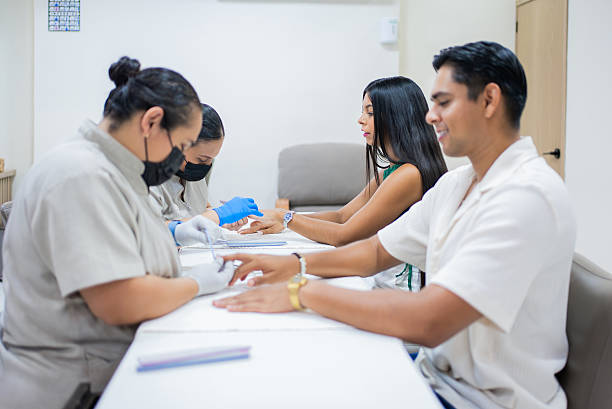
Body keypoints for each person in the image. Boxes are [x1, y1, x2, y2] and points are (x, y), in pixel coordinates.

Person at [215, 41, 576, 409]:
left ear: (489, 100)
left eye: (443, 102)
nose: (431, 116)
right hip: (435, 376)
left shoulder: (526, 196)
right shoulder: (456, 184)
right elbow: (375, 251)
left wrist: (301, 292)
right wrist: (294, 264)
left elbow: (430, 320)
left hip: (482, 401)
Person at [0, 56, 234, 409]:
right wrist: (199, 283)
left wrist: (177, 236)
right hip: (73, 387)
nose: (182, 160)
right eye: (183, 146)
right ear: (151, 122)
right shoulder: (81, 174)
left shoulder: (117, 171)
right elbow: (120, 300)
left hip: (104, 365)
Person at [243, 77, 447, 290]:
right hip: (382, 279)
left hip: (401, 289)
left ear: (397, 116)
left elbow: (344, 236)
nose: (361, 120)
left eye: (370, 112)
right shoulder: (392, 171)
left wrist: (286, 217)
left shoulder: (409, 175)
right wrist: (285, 221)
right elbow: (342, 217)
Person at [149, 103, 257, 231]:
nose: (207, 166)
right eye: (202, 159)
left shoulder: (194, 174)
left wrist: (223, 221)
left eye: (212, 159)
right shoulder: (148, 179)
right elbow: (152, 231)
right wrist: (217, 216)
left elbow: (198, 209)